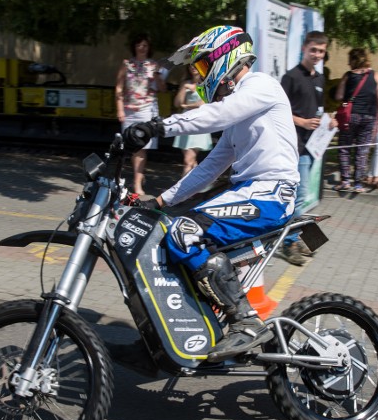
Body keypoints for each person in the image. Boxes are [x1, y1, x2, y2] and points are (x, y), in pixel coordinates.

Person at [122, 25, 299, 362]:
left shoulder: (260, 86)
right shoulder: (239, 109)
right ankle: (168, 335)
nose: (200, 75)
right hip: (250, 192)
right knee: (166, 234)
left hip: (271, 195)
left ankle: (245, 322)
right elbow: (208, 168)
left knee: (184, 232)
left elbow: (215, 115)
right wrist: (159, 202)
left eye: (203, 66)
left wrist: (158, 127)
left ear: (226, 56)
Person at [278, 30, 331, 265]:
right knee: (297, 198)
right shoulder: (290, 77)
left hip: (313, 146)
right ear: (304, 49)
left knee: (304, 197)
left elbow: (319, 111)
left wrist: (330, 120)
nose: (317, 55)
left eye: (321, 51)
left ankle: (306, 240)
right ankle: (290, 245)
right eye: (313, 50)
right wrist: (302, 122)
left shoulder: (319, 79)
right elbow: (278, 111)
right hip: (293, 145)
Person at [333, 48, 378, 193]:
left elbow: (338, 96)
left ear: (353, 60)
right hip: (369, 117)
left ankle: (345, 181)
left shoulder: (348, 76)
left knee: (344, 148)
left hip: (350, 117)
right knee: (362, 150)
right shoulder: (376, 76)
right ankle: (358, 184)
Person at [115, 33, 166, 196]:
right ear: (134, 47)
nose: (142, 48)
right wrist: (120, 109)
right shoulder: (127, 64)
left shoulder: (154, 65)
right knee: (129, 146)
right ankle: (135, 177)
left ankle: (137, 184)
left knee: (142, 147)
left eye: (145, 45)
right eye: (139, 45)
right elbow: (118, 87)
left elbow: (163, 89)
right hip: (129, 109)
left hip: (146, 108)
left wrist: (157, 76)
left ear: (149, 47)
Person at [172, 65, 214, 175]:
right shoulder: (186, 83)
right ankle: (202, 186)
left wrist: (186, 105)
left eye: (196, 64)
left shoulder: (206, 83)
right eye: (191, 65)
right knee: (191, 160)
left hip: (199, 122)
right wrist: (184, 88)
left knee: (188, 160)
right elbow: (177, 103)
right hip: (185, 122)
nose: (193, 67)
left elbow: (203, 104)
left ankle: (182, 190)